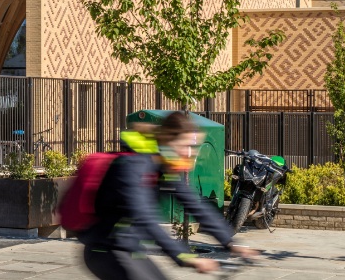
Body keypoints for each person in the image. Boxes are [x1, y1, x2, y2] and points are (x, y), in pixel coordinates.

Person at [78, 111, 258, 279]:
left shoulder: (161, 165)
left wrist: (231, 243)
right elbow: (145, 218)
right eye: (186, 145)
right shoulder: (133, 165)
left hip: (128, 247)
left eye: (193, 147)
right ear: (168, 140)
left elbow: (194, 204)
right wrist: (184, 256)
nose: (190, 152)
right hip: (104, 250)